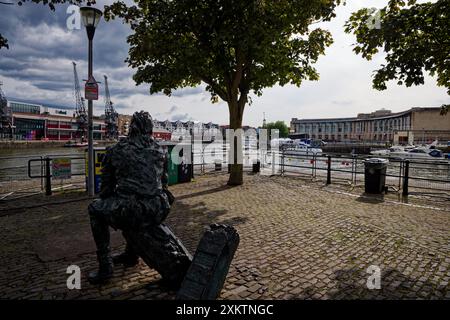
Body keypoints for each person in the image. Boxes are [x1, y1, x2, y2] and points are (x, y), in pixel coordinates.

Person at [87, 111, 173, 284]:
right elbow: (164, 185)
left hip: (131, 210)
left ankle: (105, 266)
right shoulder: (160, 151)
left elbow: (106, 190)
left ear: (131, 128)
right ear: (150, 129)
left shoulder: (116, 150)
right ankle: (130, 255)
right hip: (158, 208)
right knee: (130, 207)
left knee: (96, 209)